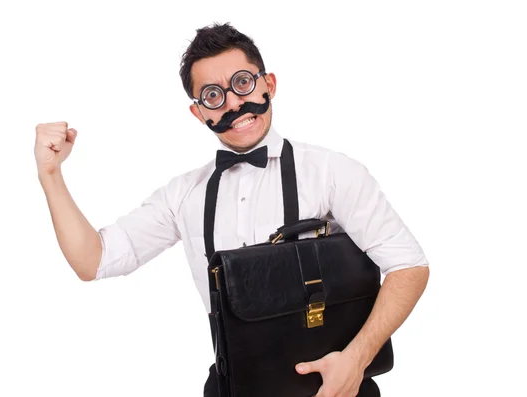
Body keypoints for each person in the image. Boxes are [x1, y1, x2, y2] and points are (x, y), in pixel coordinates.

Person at [34, 23, 429, 397]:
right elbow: (92, 261)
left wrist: (355, 361)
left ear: (268, 84)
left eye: (242, 83)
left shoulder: (331, 172)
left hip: (334, 386)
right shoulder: (183, 194)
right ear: (199, 112)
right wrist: (50, 175)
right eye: (213, 95)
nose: (234, 104)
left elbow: (408, 266)